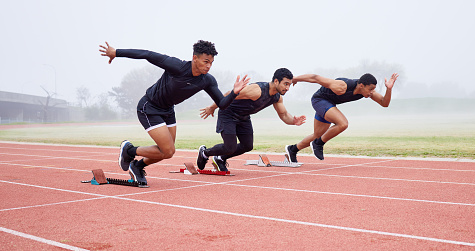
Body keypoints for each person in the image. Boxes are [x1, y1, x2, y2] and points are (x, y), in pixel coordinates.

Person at [99, 40, 249, 186]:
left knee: (168, 153)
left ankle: (137, 166)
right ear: (194, 58)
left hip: (168, 110)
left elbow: (222, 104)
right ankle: (129, 150)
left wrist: (234, 93)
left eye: (211, 63)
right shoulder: (176, 66)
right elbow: (147, 54)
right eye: (206, 61)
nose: (208, 66)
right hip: (149, 107)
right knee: (168, 149)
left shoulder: (207, 80)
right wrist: (116, 53)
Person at [196, 68, 306, 172]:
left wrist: (293, 121)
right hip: (228, 114)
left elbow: (284, 114)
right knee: (230, 146)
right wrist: (212, 108)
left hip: (244, 117)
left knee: (247, 146)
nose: (287, 88)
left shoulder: (277, 97)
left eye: (289, 85)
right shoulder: (256, 90)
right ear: (276, 81)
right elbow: (228, 94)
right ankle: (205, 153)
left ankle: (220, 158)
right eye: (285, 84)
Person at [285, 72, 399, 161]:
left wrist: (389, 89)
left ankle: (292, 149)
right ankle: (318, 144)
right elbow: (316, 78)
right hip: (320, 100)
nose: (371, 92)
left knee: (318, 134)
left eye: (373, 90)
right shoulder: (342, 86)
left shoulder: (367, 92)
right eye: (370, 89)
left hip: (329, 105)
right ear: (361, 85)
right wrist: (294, 79)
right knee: (343, 123)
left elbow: (384, 103)